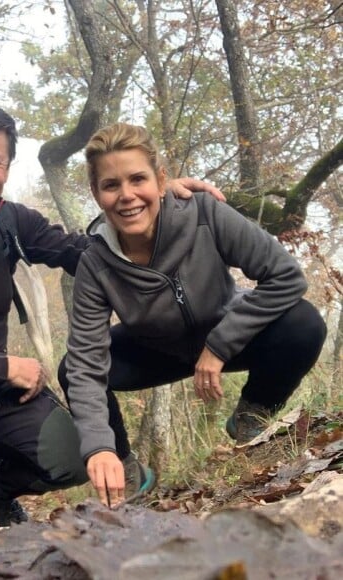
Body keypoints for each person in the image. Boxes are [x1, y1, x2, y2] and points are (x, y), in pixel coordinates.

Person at [0, 103, 226, 545]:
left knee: (78, 452)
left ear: (6, 168)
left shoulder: (10, 221)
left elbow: (89, 253)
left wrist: (156, 208)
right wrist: (5, 367)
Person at [58, 122, 327, 508]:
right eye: (111, 185)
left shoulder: (205, 214)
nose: (127, 195)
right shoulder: (95, 264)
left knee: (304, 322)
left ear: (161, 179)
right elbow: (86, 363)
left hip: (224, 333)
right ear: (96, 193)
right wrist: (98, 447)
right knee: (72, 368)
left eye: (138, 179)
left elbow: (285, 277)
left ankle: (253, 414)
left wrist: (218, 346)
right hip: (155, 350)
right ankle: (128, 470)